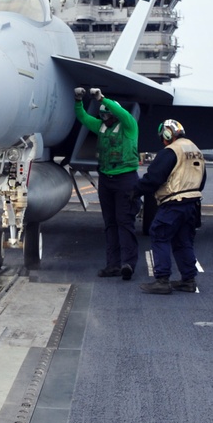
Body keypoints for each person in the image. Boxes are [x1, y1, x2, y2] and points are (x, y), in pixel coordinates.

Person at [74, 86, 140, 281]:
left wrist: (102, 99)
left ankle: (128, 264)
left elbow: (121, 112)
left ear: (114, 115)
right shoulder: (101, 126)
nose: (105, 120)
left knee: (125, 222)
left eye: (108, 116)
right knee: (110, 224)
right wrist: (78, 101)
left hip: (126, 179)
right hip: (106, 179)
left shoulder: (129, 125)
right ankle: (113, 265)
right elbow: (84, 118)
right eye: (102, 117)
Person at [135, 119, 207, 295]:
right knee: (183, 241)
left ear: (167, 135)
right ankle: (188, 280)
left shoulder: (171, 151)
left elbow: (154, 178)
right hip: (193, 204)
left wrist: (134, 191)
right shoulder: (195, 150)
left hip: (174, 202)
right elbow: (202, 180)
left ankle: (162, 280)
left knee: (159, 234)